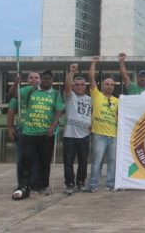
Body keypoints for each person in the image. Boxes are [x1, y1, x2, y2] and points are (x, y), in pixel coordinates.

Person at [11, 70, 63, 200]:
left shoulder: (56, 94)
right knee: (25, 160)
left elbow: (58, 111)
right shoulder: (29, 90)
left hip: (46, 134)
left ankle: (40, 186)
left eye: (49, 79)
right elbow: (12, 95)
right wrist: (16, 83)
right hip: (29, 132)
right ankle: (23, 186)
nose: (46, 81)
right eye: (44, 78)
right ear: (41, 80)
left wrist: (53, 126)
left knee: (44, 161)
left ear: (52, 81)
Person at [87, 57, 119, 192]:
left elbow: (119, 116)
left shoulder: (118, 100)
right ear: (102, 85)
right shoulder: (96, 95)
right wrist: (94, 63)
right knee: (96, 161)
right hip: (99, 134)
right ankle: (93, 185)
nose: (109, 86)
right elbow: (91, 78)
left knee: (112, 162)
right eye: (107, 84)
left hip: (114, 135)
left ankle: (110, 184)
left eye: (112, 84)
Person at [6, 71, 41, 189]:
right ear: (27, 80)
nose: (34, 79)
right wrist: (10, 127)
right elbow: (11, 109)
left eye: (36, 78)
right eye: (31, 78)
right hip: (23, 130)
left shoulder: (44, 93)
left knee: (37, 159)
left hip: (39, 131)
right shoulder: (20, 92)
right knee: (22, 158)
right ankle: (22, 184)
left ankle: (34, 184)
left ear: (40, 80)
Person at [62, 63, 92, 194]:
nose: (79, 86)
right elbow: (67, 86)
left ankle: (81, 182)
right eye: (77, 84)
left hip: (85, 135)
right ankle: (69, 183)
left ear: (85, 86)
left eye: (82, 84)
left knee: (83, 161)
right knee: (68, 161)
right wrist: (71, 72)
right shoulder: (70, 96)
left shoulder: (90, 99)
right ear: (74, 86)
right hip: (70, 135)